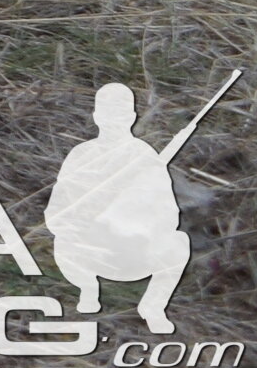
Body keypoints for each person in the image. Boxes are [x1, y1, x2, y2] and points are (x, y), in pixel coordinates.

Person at [46, 83, 194, 332]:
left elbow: (168, 212)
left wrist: (138, 222)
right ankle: (88, 289)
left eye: (121, 114)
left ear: (132, 117)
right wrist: (83, 221)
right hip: (90, 250)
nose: (114, 121)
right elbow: (57, 211)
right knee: (62, 243)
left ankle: (153, 307)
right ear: (96, 116)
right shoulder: (81, 154)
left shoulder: (145, 156)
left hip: (136, 251)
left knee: (178, 244)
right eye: (107, 114)